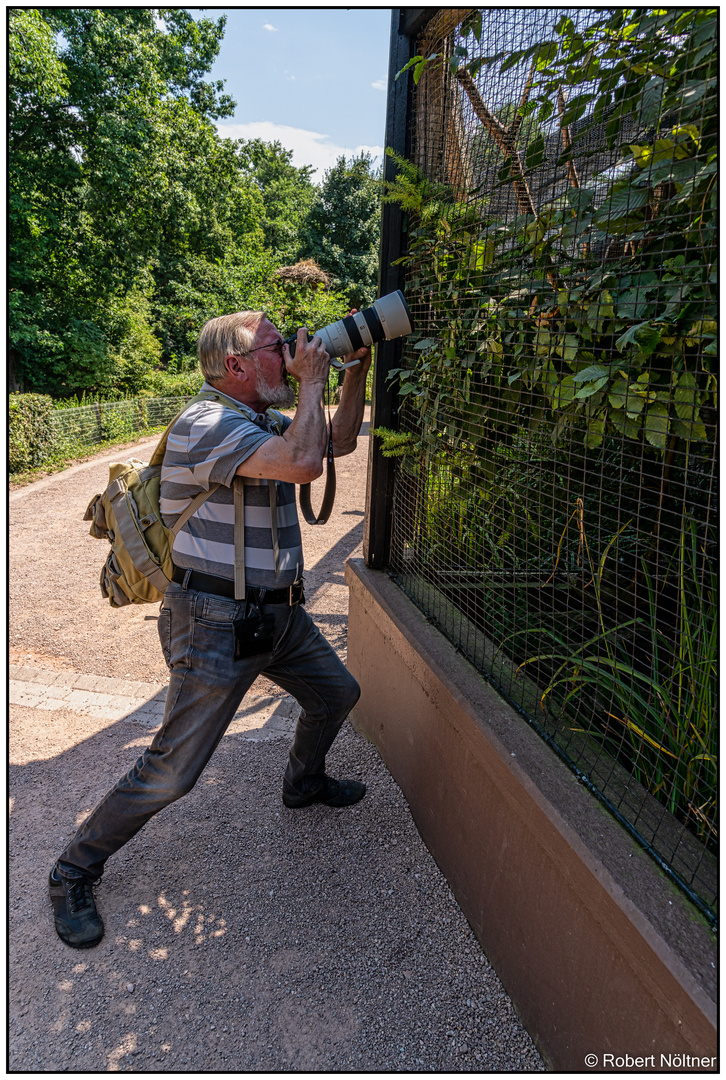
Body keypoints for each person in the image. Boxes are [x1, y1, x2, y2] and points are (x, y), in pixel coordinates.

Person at [49, 311, 371, 949]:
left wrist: (351, 375)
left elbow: (334, 442)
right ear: (237, 366)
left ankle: (303, 782)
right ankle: (72, 870)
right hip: (214, 621)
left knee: (338, 694)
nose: (295, 352)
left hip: (278, 615)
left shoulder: (256, 419)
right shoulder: (207, 424)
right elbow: (306, 464)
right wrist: (312, 383)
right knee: (174, 771)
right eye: (280, 348)